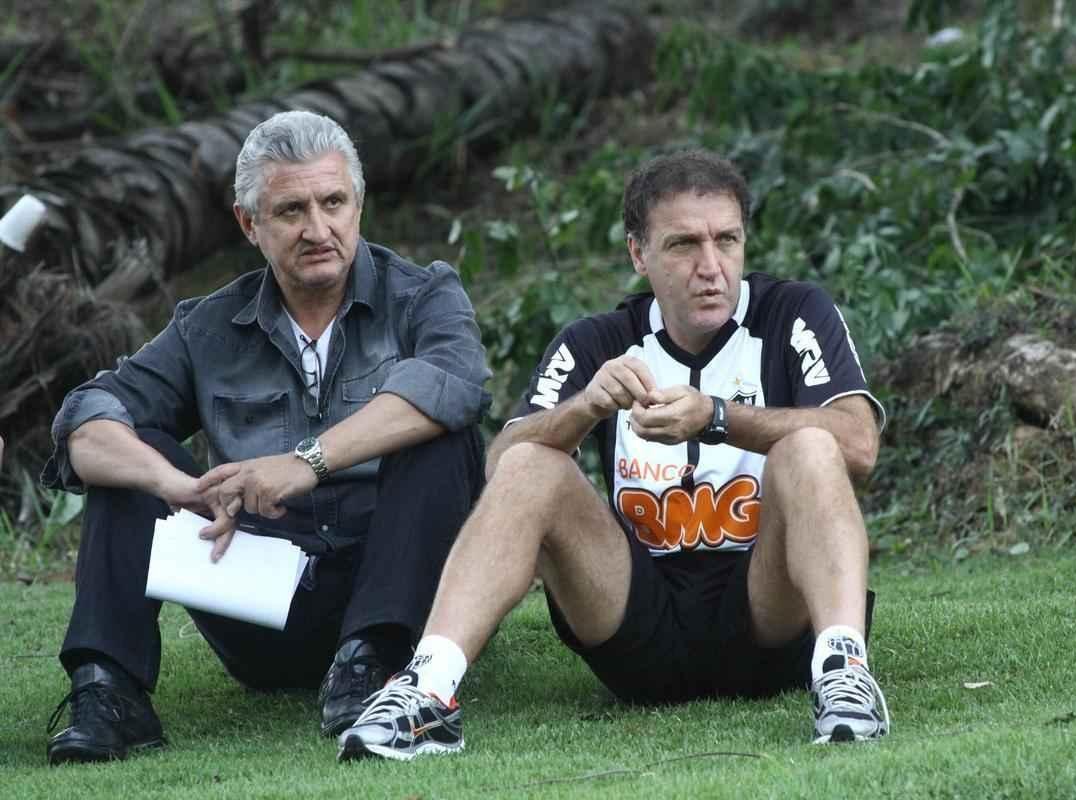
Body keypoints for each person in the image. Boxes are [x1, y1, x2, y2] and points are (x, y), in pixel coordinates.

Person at [336, 148, 889, 763]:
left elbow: (859, 444)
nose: (711, 267)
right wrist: (586, 409)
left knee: (811, 444)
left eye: (727, 241)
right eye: (684, 245)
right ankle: (427, 693)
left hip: (771, 615)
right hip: (636, 625)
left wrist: (717, 418)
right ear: (638, 254)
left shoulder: (792, 314)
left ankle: (842, 671)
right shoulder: (596, 340)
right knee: (531, 461)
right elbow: (501, 469)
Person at [40, 110, 491, 765]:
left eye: (334, 202)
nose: (318, 228)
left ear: (358, 205)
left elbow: (457, 384)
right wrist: (175, 484)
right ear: (249, 225)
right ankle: (108, 693)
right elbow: (86, 417)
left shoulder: (423, 294)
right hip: (264, 603)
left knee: (441, 434)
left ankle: (375, 664)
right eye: (291, 210)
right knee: (130, 450)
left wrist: (306, 461)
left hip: (402, 598)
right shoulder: (206, 327)